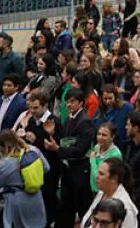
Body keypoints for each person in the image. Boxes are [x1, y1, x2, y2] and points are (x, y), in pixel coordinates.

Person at [50, 88, 96, 228]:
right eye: (67, 102)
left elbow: (80, 149)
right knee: (66, 204)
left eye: (73, 102)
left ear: (81, 103)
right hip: (68, 170)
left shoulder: (84, 122)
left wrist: (58, 149)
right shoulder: (70, 118)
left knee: (82, 207)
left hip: (80, 171)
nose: (69, 105)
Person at [0, 130, 50, 228]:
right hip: (37, 197)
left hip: (17, 201)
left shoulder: (5, 164)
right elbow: (46, 168)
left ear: (2, 147)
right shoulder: (32, 150)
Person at [81, 158, 139, 228]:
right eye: (98, 172)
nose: (96, 176)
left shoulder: (126, 207)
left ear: (114, 178)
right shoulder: (102, 192)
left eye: (101, 174)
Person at [89, 123, 124, 193]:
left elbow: (98, 176)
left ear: (112, 137)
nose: (100, 137)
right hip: (94, 189)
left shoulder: (115, 155)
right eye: (98, 134)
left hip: (105, 192)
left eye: (104, 135)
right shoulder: (97, 147)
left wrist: (92, 160)